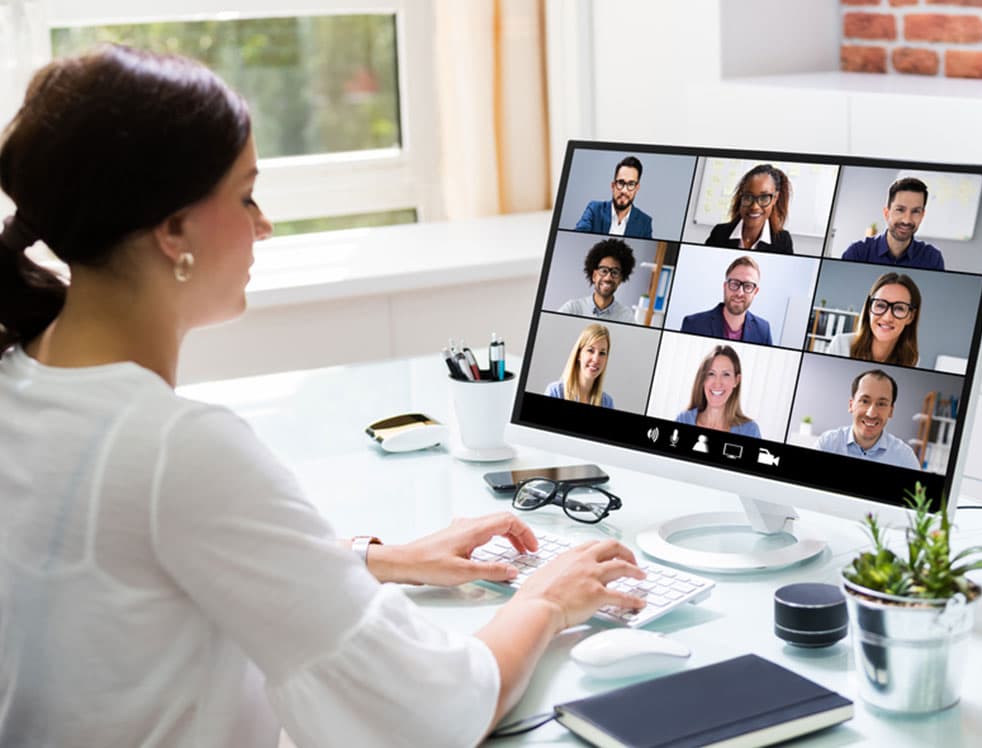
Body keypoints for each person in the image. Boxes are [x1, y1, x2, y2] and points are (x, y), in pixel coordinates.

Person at [0, 45, 649, 748]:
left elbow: (142, 570)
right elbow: (430, 711)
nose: (264, 225)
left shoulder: (22, 378)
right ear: (173, 229)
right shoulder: (173, 449)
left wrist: (374, 559)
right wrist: (546, 598)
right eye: (245, 194)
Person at [817, 369, 920, 469]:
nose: (871, 414)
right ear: (851, 405)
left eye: (881, 404)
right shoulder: (827, 444)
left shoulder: (905, 458)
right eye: (865, 401)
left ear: (891, 411)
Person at [841, 177, 945, 270]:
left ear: (922, 215)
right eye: (900, 210)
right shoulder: (858, 253)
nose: (907, 220)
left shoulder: (932, 258)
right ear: (887, 213)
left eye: (915, 211)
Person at [825, 272, 921, 367]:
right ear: (869, 308)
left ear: (910, 317)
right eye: (880, 305)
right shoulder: (841, 345)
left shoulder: (912, 360)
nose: (887, 317)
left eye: (899, 308)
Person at [680, 255, 772, 344]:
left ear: (755, 291)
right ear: (725, 286)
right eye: (735, 284)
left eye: (748, 286)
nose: (739, 293)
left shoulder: (763, 330)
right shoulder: (693, 324)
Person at [705, 163, 793, 254]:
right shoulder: (719, 233)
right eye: (748, 196)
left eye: (764, 198)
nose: (754, 206)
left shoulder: (782, 242)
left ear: (775, 198)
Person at [675, 345, 761, 437]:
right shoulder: (683, 420)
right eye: (711, 374)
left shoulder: (750, 431)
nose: (717, 383)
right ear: (702, 379)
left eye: (726, 374)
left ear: (736, 380)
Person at [557, 237, 637, 323]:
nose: (608, 278)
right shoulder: (572, 309)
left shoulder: (626, 316)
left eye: (615, 272)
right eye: (604, 271)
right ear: (594, 275)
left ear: (620, 279)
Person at [574, 155, 653, 238]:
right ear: (613, 186)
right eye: (620, 183)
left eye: (631, 184)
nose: (624, 190)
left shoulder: (645, 223)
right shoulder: (594, 210)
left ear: (637, 188)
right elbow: (577, 236)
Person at [545, 323, 614, 408]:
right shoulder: (555, 392)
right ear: (579, 354)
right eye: (590, 350)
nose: (596, 359)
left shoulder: (607, 402)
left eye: (602, 353)